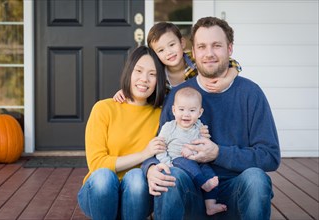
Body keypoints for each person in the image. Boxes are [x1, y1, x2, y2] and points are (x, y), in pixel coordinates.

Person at [142, 17, 281, 220]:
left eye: (217, 45)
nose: (209, 53)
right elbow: (160, 144)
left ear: (230, 49)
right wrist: (151, 168)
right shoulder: (178, 95)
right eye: (202, 47)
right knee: (169, 175)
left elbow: (270, 156)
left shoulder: (250, 93)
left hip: (236, 191)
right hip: (191, 190)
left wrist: (218, 153)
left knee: (256, 179)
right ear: (194, 51)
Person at [77, 46, 167, 220]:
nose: (144, 79)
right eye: (138, 71)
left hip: (137, 194)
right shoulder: (104, 108)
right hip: (98, 193)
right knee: (103, 176)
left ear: (159, 80)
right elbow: (97, 164)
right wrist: (144, 154)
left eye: (152, 74)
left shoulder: (161, 115)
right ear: (129, 72)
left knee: (136, 177)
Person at [113, 22, 242, 102]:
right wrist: (127, 91)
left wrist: (227, 79)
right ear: (155, 54)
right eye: (161, 50)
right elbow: (144, 86)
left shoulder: (195, 59)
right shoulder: (157, 72)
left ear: (182, 43)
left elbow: (233, 63)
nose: (169, 52)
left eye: (172, 45)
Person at [156, 86, 227, 216]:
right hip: (177, 161)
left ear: (199, 113)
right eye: (181, 109)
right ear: (174, 110)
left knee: (209, 172)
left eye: (192, 110)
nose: (186, 114)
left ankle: (210, 205)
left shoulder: (200, 127)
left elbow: (203, 147)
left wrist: (194, 151)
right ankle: (203, 184)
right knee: (186, 163)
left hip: (197, 161)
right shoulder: (169, 127)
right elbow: (160, 148)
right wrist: (167, 163)